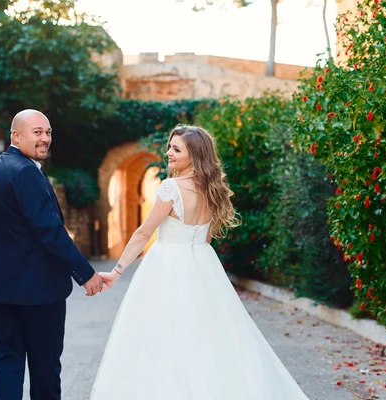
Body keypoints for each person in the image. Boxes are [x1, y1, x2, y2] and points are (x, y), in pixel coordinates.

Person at [91, 125, 310, 399]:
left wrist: (117, 271)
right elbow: (206, 238)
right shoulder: (213, 189)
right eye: (170, 147)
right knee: (209, 335)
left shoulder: (170, 188)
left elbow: (143, 233)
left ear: (194, 155)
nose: (168, 153)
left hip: (167, 263)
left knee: (163, 335)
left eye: (176, 149)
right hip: (202, 264)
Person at [0, 109, 105, 400]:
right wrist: (86, 274)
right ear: (15, 135)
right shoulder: (25, 172)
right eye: (37, 132)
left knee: (7, 363)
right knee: (45, 367)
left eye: (47, 132)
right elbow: (50, 231)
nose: (45, 138)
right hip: (37, 292)